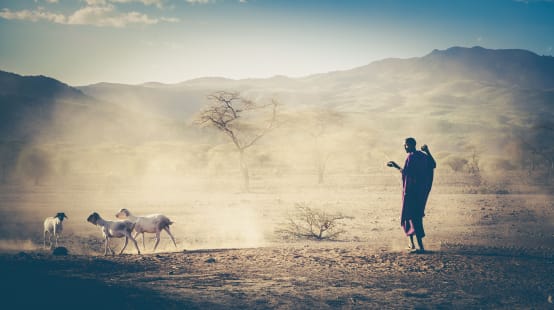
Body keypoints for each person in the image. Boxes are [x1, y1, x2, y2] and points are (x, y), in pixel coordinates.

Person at [387, 137, 435, 253]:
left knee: (410, 217)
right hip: (419, 193)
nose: (404, 147)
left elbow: (407, 173)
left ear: (410, 145)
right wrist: (427, 151)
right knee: (415, 217)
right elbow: (433, 164)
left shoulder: (411, 157)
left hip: (411, 192)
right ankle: (416, 246)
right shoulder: (422, 156)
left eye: (405, 145)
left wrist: (396, 166)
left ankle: (415, 246)